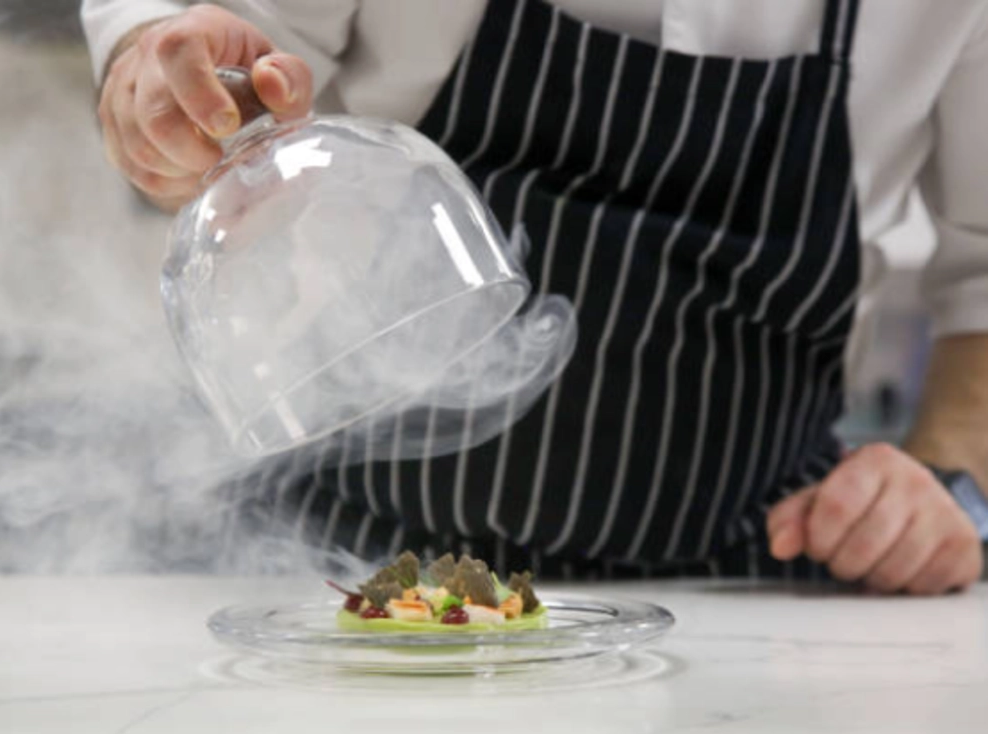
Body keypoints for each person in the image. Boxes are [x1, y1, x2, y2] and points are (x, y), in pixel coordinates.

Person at [82, 0, 988, 593]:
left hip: (754, 593)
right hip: (336, 578)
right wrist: (170, 90)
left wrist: (950, 492)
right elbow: (209, 65)